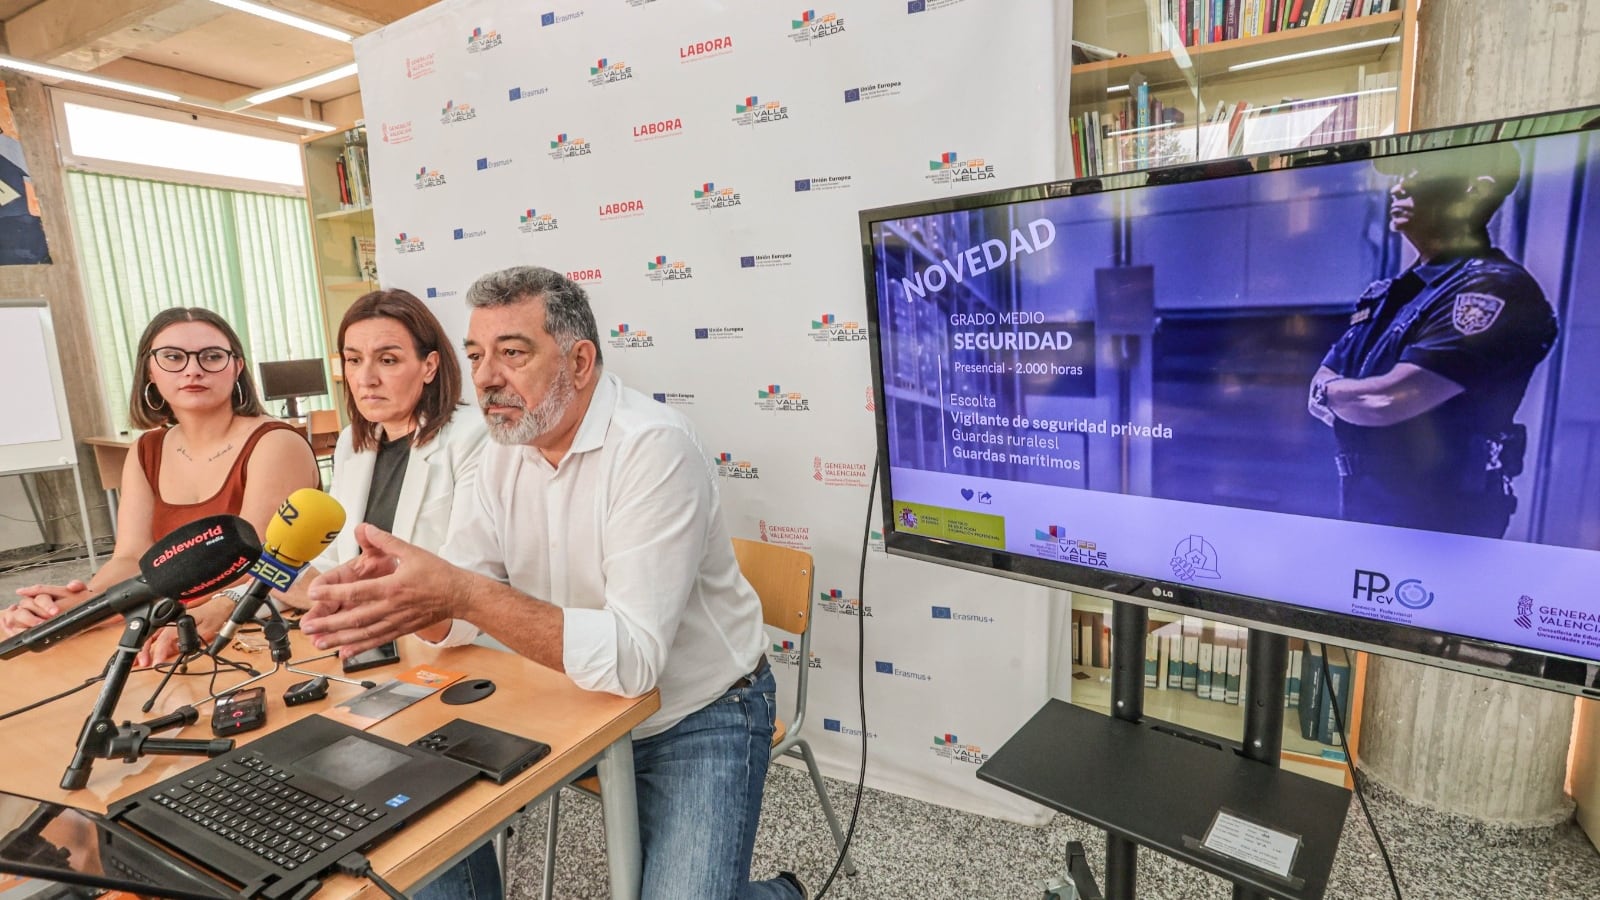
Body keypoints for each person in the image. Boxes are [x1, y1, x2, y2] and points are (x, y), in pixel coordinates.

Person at [299, 266, 805, 899]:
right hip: (575, 699)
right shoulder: (503, 447)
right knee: (413, 827)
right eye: (477, 355)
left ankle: (775, 894)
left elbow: (632, 661)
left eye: (512, 353)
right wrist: (408, 595)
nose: (485, 378)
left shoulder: (654, 449)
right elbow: (460, 611)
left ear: (581, 360)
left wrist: (458, 591)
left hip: (697, 711)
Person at [144, 289, 489, 662]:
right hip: (368, 648)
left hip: (456, 652)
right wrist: (226, 604)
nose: (366, 378)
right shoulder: (353, 445)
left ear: (430, 366)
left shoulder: (474, 438)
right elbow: (324, 565)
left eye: (387, 360)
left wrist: (325, 591)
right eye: (354, 360)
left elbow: (468, 585)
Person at [0, 308, 320, 651]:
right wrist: (78, 603)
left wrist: (103, 609)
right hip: (165, 624)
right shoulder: (145, 448)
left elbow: (250, 565)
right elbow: (130, 556)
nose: (193, 369)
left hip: (247, 626)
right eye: (173, 357)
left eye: (212, 356)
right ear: (149, 370)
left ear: (237, 367)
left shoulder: (276, 442)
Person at [1307, 143, 1558, 539]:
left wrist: (1331, 394)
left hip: (1440, 523)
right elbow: (1325, 378)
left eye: (1419, 173)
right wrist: (1337, 392)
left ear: (1476, 189)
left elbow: (1386, 401)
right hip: (1368, 508)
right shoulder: (1388, 292)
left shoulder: (1493, 288)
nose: (1398, 188)